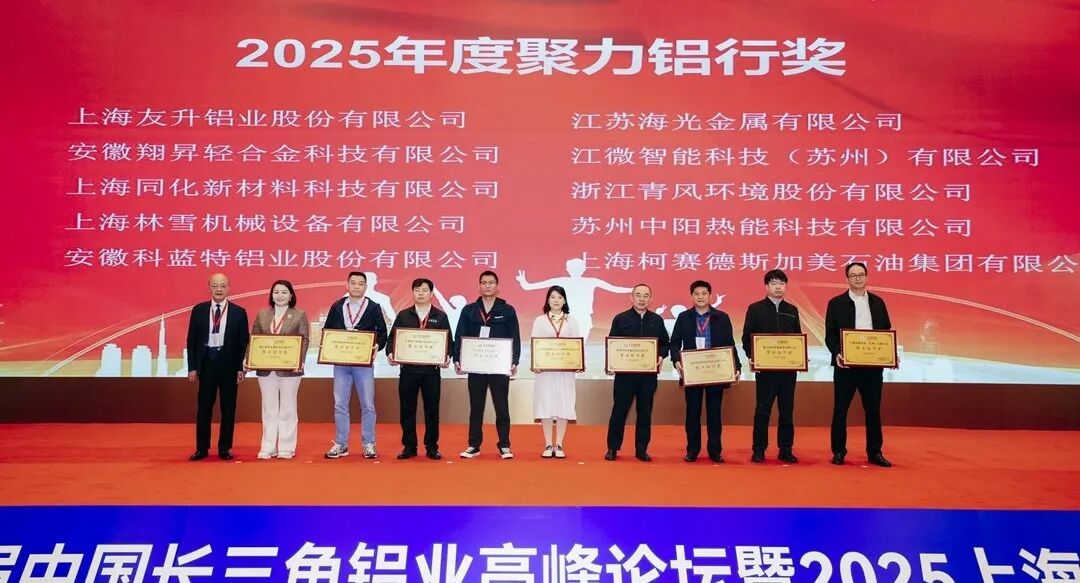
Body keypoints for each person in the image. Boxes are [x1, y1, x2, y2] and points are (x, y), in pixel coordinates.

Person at [824, 262, 895, 467]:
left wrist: (889, 354)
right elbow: (830, 334)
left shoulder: (878, 303)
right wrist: (837, 353)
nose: (857, 278)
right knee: (840, 409)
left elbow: (885, 332)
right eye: (853, 275)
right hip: (846, 366)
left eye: (861, 274)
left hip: (872, 367)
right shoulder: (836, 303)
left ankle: (875, 452)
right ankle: (839, 451)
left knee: (873, 410)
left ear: (867, 277)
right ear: (847, 279)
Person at [669, 280, 741, 463]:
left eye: (704, 293)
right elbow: (674, 342)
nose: (700, 297)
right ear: (691, 296)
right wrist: (676, 360)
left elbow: (730, 344)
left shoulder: (722, 317)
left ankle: (715, 451)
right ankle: (692, 450)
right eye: (697, 294)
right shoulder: (684, 317)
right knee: (692, 412)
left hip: (715, 371)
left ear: (710, 295)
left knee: (714, 413)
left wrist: (737, 367)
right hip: (693, 372)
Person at [454, 270, 521, 460]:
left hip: (499, 367)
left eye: (491, 282)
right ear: (479, 286)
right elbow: (460, 334)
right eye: (484, 282)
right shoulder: (469, 310)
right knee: (476, 407)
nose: (487, 285)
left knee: (502, 407)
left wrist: (514, 361)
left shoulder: (507, 310)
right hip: (475, 366)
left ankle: (504, 445)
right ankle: (473, 445)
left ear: (497, 286)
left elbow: (515, 337)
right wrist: (458, 358)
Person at [323, 272, 388, 460]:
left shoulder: (374, 307)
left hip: (363, 365)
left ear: (365, 287)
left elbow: (383, 333)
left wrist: (377, 345)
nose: (357, 286)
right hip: (341, 363)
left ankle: (369, 443)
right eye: (353, 283)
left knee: (368, 405)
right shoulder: (337, 306)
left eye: (360, 284)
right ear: (347, 285)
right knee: (340, 405)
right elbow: (328, 331)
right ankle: (341, 444)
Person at [387, 278, 453, 460]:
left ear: (431, 294)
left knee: (432, 411)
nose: (421, 293)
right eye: (417, 290)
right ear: (413, 293)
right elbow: (392, 340)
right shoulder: (403, 315)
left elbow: (449, 342)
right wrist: (391, 353)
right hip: (408, 371)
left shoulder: (440, 316)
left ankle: (432, 447)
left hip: (431, 372)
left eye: (425, 290)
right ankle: (409, 447)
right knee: (407, 410)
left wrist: (447, 356)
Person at [186, 273, 250, 461]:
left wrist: (241, 368)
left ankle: (224, 448)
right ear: (209, 288)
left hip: (229, 364)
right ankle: (202, 449)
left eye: (223, 285)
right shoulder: (199, 310)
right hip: (206, 363)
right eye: (215, 286)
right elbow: (191, 340)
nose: (219, 289)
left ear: (228, 288)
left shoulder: (239, 312)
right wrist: (192, 367)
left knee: (228, 409)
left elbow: (243, 343)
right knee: (204, 408)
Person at [742, 269, 802, 464]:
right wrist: (752, 356)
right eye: (774, 283)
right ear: (766, 286)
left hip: (787, 371)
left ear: (786, 286)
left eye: (781, 283)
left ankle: (785, 449)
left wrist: (800, 356)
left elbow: (797, 338)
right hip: (765, 370)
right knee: (763, 410)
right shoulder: (755, 309)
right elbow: (747, 337)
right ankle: (759, 449)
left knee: (787, 412)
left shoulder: (792, 310)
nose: (778, 287)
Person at [604, 284, 670, 462]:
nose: (642, 299)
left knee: (645, 413)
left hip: (648, 377)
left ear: (651, 299)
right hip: (624, 377)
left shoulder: (657, 320)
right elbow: (612, 344)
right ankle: (612, 448)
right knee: (619, 411)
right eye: (638, 295)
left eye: (646, 295)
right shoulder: (620, 319)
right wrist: (611, 363)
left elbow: (665, 343)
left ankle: (642, 449)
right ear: (631, 298)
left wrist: (660, 356)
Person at [249, 280, 310, 460]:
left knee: (288, 408)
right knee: (269, 408)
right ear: (271, 295)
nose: (280, 295)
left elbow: (304, 339)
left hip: (290, 369)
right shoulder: (262, 314)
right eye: (276, 292)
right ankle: (268, 447)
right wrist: (249, 358)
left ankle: (286, 447)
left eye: (284, 292)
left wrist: (300, 360)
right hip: (266, 368)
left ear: (291, 295)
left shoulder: (299, 315)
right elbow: (254, 338)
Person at [530, 286, 581, 459]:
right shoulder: (540, 320)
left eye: (559, 297)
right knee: (545, 404)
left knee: (563, 404)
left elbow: (577, 344)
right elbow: (534, 342)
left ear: (564, 300)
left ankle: (559, 444)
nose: (556, 300)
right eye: (552, 297)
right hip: (545, 371)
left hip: (565, 372)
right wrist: (535, 363)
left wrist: (578, 362)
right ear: (548, 300)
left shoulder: (571, 321)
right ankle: (547, 444)